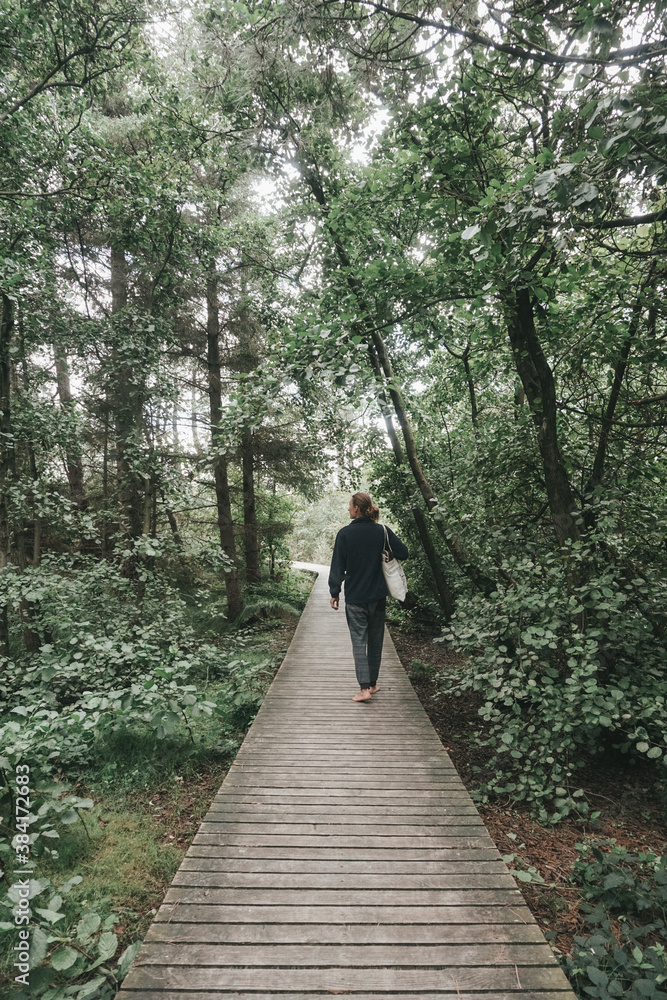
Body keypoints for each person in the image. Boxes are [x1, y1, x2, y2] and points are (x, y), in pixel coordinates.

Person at [329, 492, 409, 702]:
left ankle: (364, 689)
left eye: (350, 506)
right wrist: (385, 554)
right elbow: (404, 553)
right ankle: (372, 685)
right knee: (375, 641)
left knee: (358, 641)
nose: (348, 509)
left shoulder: (345, 534)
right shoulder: (382, 531)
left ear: (356, 508)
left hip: (355, 596)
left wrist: (334, 591)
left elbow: (337, 565)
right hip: (377, 597)